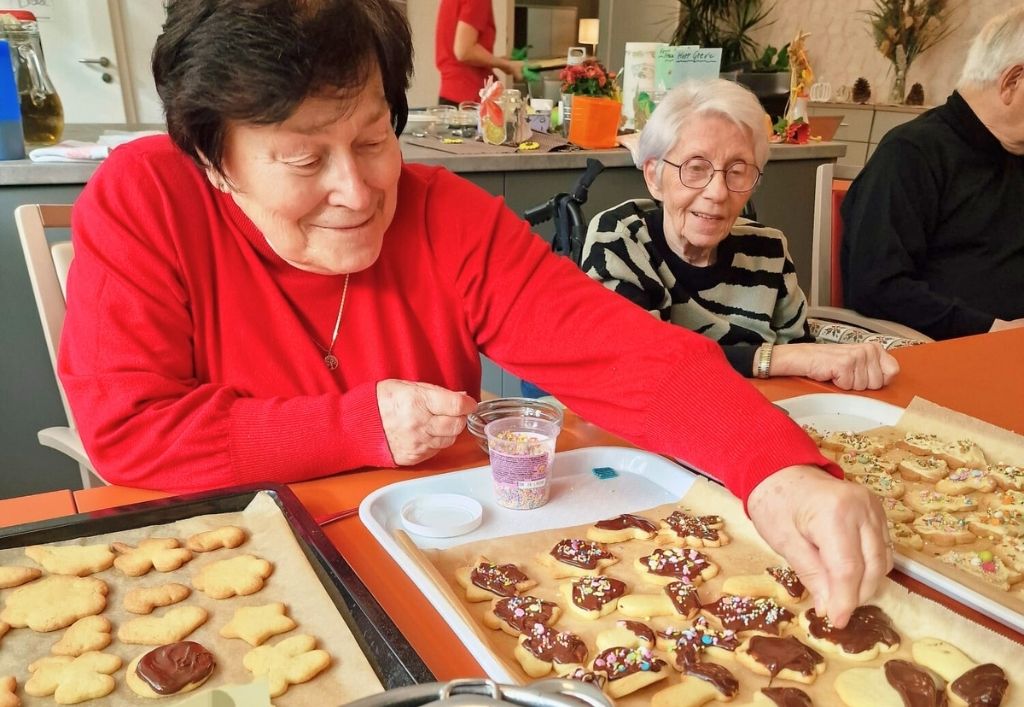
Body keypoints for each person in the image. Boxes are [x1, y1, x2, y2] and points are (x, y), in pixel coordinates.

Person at [61, 0, 888, 627]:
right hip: (234, 580)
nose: (357, 192)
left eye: (374, 139)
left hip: (435, 565)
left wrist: (778, 470)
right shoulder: (145, 198)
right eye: (305, 159)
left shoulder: (444, 214)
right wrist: (361, 425)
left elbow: (622, 351)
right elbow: (130, 426)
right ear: (213, 160)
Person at [582, 80, 901, 391]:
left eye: (737, 171)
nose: (718, 192)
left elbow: (801, 371)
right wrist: (771, 359)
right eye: (696, 167)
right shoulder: (621, 238)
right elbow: (634, 361)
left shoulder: (768, 250)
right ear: (654, 176)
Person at [840, 6, 1024, 341]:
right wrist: (993, 331)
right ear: (1012, 82)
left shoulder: (1014, 153)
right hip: (955, 351)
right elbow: (877, 287)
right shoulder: (911, 153)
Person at [435, 0, 522, 105]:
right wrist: (507, 65)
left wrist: (501, 62)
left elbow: (457, 50)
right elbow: (464, 51)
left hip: (451, 95)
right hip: (468, 97)